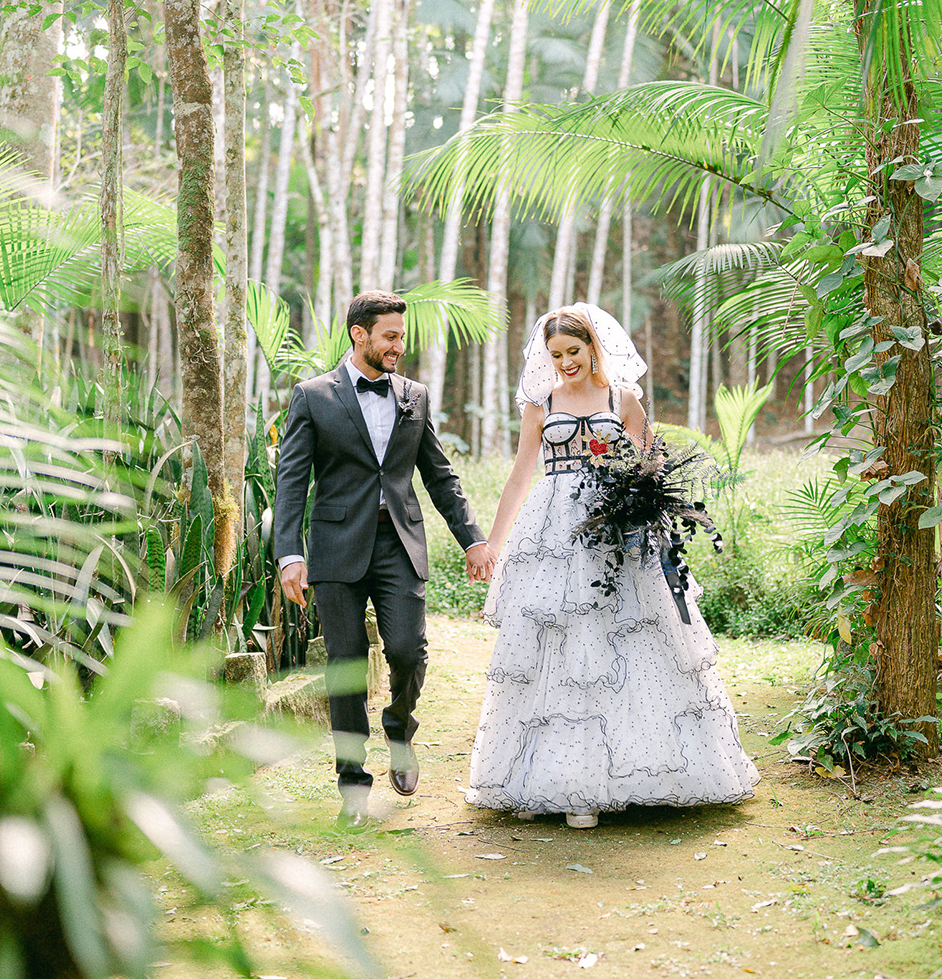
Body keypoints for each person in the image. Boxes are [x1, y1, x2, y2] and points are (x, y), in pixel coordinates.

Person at [467, 304, 759, 828]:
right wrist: (493, 542)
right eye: (556, 355)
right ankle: (558, 781)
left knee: (630, 639)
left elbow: (653, 466)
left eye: (573, 352)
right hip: (555, 531)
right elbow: (518, 476)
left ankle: (638, 774)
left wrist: (640, 502)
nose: (565, 363)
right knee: (562, 642)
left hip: (616, 533)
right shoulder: (541, 403)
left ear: (593, 347)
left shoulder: (623, 398)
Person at [274, 291, 496, 828]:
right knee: (346, 668)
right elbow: (292, 480)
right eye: (390, 336)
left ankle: (400, 725)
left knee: (407, 650)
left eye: (402, 336)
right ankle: (352, 785)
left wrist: (472, 538)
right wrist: (288, 554)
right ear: (360, 334)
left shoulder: (414, 396)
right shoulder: (312, 396)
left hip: (399, 542)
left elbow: (439, 475)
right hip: (335, 547)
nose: (399, 346)